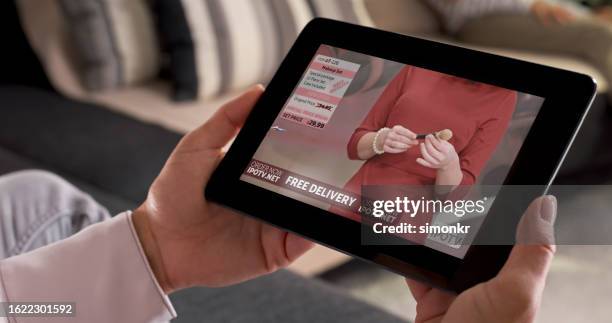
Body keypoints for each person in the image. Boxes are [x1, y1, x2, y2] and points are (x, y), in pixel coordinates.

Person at [0, 86, 557, 322]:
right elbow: (357, 137)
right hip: (364, 188)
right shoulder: (416, 73)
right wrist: (375, 142)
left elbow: (459, 188)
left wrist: (156, 246)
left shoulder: (504, 98)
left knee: (37, 196)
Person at [337, 66, 516, 223]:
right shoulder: (419, 67)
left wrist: (448, 165)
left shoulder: (504, 96)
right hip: (359, 194)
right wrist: (381, 139)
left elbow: (455, 196)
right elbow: (355, 147)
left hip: (408, 215)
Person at [426, 0, 612, 100]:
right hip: (482, 18)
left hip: (526, 13)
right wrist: (529, 4)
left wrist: (587, 16)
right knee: (601, 35)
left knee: (603, 30)